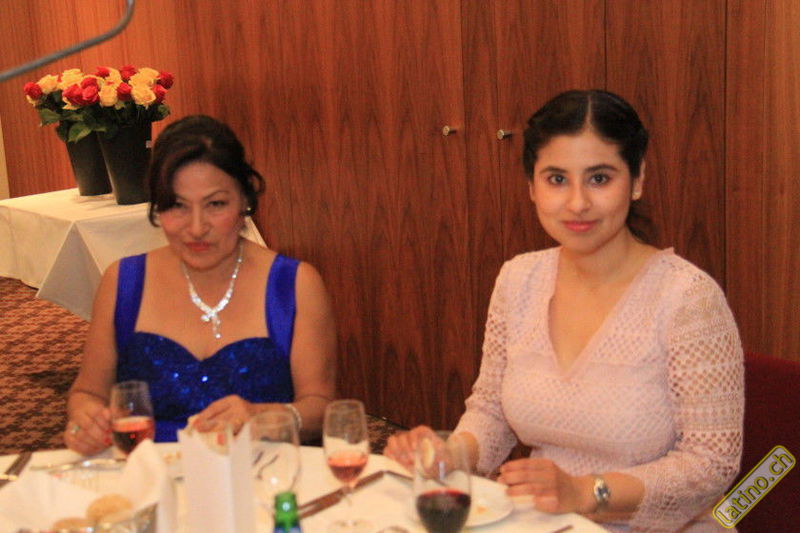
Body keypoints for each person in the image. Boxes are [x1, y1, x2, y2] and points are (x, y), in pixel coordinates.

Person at [385, 90, 744, 532]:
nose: (577, 203)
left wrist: (586, 492)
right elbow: (492, 411)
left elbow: (711, 463)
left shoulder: (686, 297)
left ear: (637, 180)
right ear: (531, 187)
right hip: (542, 521)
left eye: (599, 178)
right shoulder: (519, 279)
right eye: (556, 179)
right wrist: (451, 454)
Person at [65, 115, 337, 454]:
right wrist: (86, 418)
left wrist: (266, 416)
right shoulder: (122, 282)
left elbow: (320, 406)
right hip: (150, 474)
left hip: (260, 472)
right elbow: (87, 393)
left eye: (215, 204)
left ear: (244, 200)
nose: (196, 228)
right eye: (177, 206)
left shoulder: (295, 284)